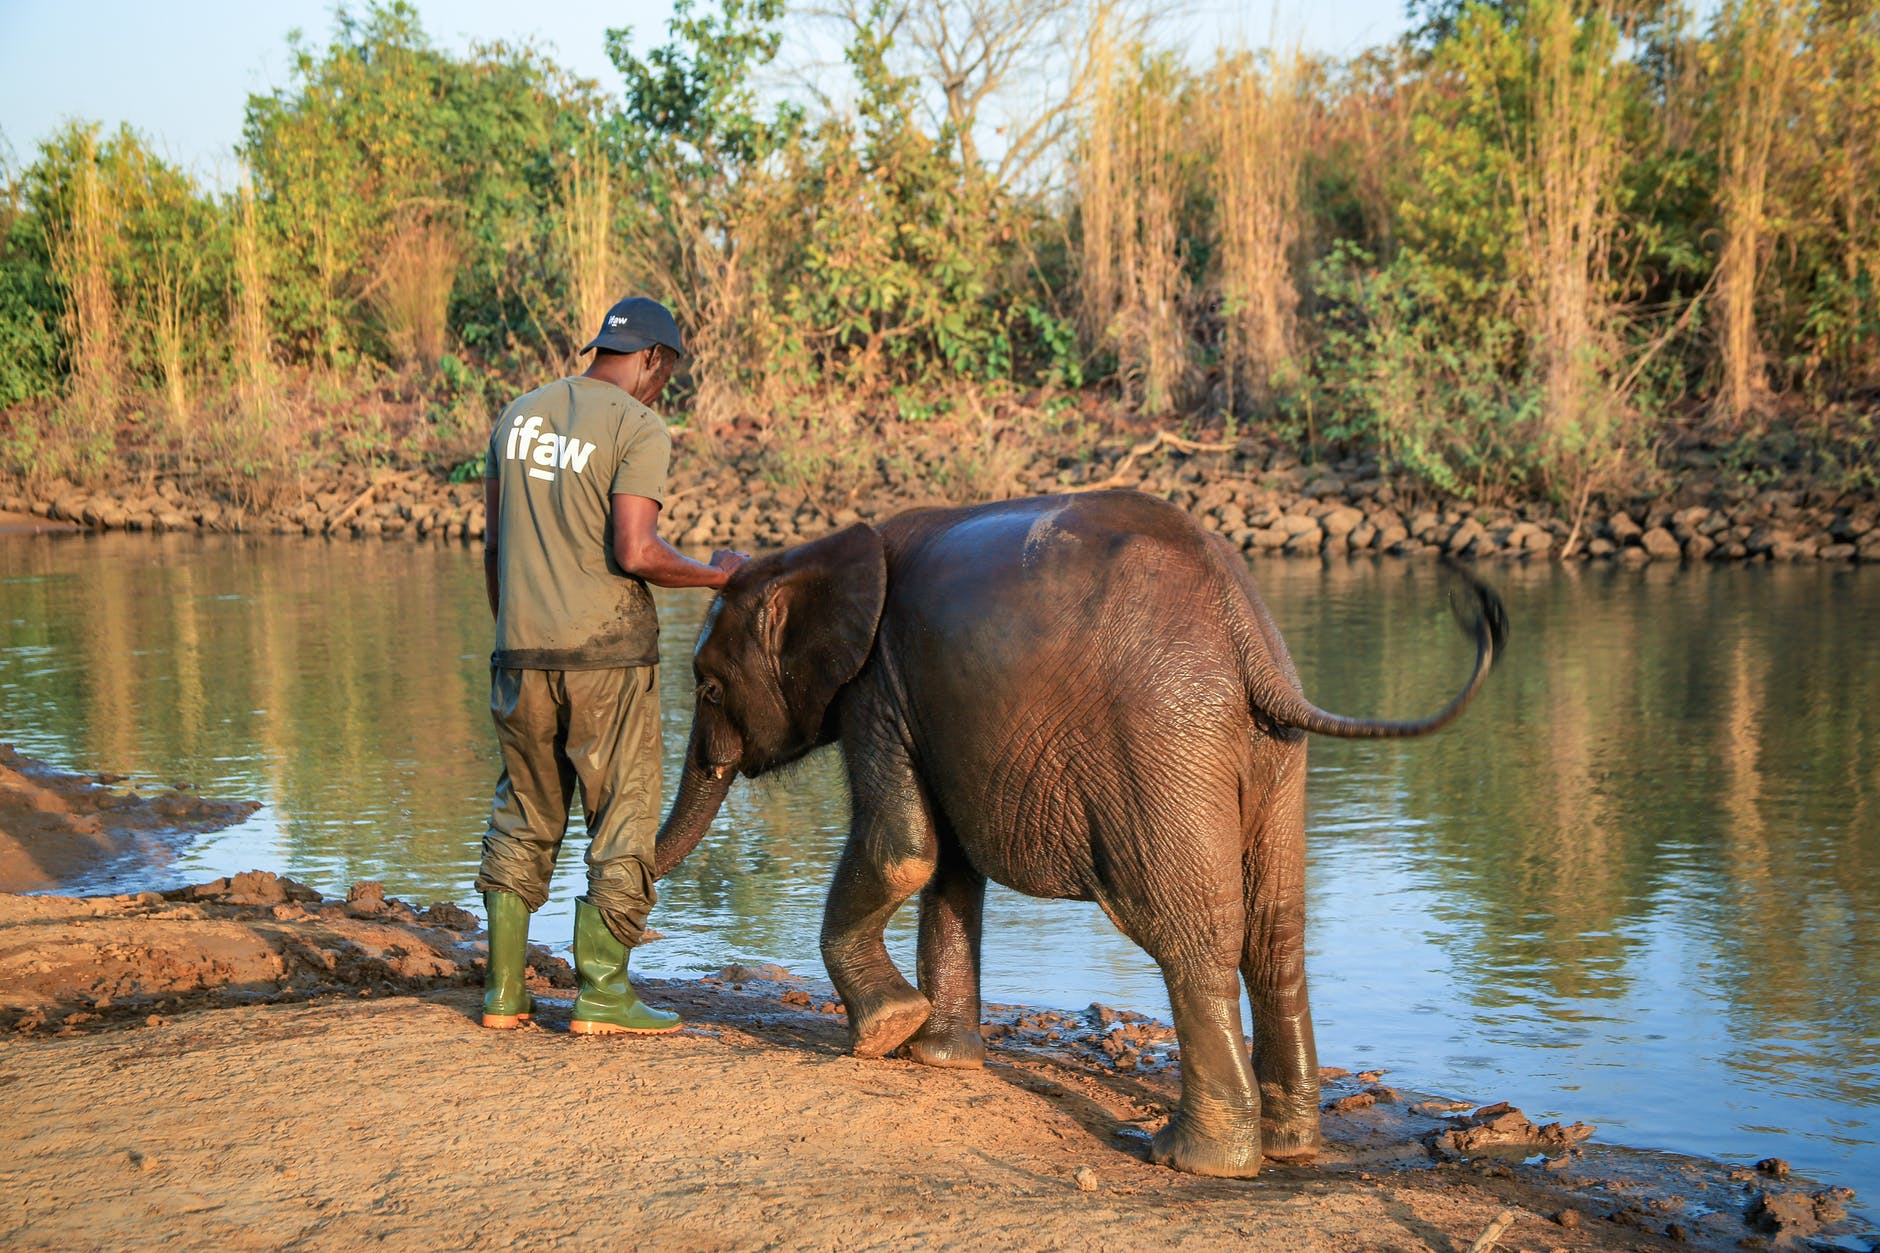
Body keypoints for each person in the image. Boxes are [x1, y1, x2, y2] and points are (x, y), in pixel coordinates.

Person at [475, 295, 746, 1034]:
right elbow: (636, 551)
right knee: (622, 814)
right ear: (653, 359)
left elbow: (494, 547)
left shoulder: (517, 414)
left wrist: (511, 626)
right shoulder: (637, 425)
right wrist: (723, 577)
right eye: (668, 374)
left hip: (519, 651)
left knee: (523, 814)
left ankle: (504, 994)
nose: (664, 389)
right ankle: (601, 994)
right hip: (607, 656)